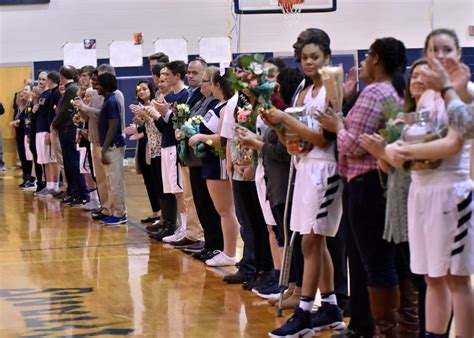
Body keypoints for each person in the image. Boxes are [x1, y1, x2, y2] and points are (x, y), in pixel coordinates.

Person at [318, 37, 407, 336]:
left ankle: (374, 328)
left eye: (367, 56)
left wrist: (338, 127)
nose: (363, 63)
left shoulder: (376, 92)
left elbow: (354, 145)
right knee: (377, 261)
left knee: (372, 262)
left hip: (366, 185)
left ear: (377, 59)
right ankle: (371, 325)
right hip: (377, 184)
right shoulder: (389, 91)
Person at [267, 33, 345, 337]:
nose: (309, 62)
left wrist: (289, 123)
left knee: (309, 242)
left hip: (326, 169)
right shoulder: (302, 89)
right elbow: (295, 142)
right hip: (304, 167)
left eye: (315, 56)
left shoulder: (331, 87)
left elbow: (325, 138)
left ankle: (304, 313)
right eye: (304, 58)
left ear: (326, 55)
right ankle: (330, 307)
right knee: (315, 242)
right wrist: (277, 124)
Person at [189, 66, 240, 266]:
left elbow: (222, 139)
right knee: (221, 210)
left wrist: (200, 137)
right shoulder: (219, 105)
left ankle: (229, 252)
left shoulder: (228, 106)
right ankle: (223, 250)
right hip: (209, 161)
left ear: (217, 85)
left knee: (226, 210)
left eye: (210, 82)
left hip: (219, 161)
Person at [52, 65, 90, 206]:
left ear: (61, 77)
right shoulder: (70, 89)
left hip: (69, 129)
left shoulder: (72, 89)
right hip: (65, 129)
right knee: (69, 163)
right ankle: (74, 192)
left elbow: (65, 112)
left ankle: (82, 193)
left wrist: (54, 124)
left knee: (73, 162)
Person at [96, 72, 127, 226]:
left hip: (113, 146)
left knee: (115, 181)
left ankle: (120, 214)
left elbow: (113, 127)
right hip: (109, 146)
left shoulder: (112, 102)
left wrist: (104, 149)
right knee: (110, 181)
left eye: (98, 84)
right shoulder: (107, 100)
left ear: (105, 85)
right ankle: (115, 211)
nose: (96, 87)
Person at [34, 70, 61, 197]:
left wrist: (50, 131)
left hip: (46, 130)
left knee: (52, 160)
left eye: (44, 79)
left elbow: (52, 114)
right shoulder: (41, 95)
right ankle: (48, 184)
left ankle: (55, 186)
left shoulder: (52, 94)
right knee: (45, 160)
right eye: (39, 79)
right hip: (39, 130)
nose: (41, 81)